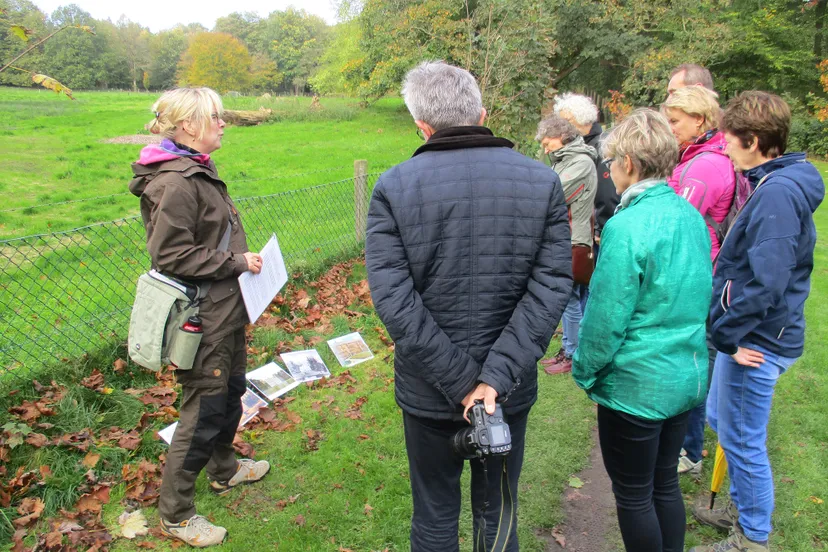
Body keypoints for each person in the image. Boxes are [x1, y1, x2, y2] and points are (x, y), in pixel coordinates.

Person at [366, 61, 572, 552]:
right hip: (497, 390)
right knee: (495, 511)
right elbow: (550, 288)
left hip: (443, 388)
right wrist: (484, 383)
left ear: (422, 126)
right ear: (482, 115)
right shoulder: (541, 180)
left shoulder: (394, 186)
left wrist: (480, 382)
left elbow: (394, 300)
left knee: (436, 513)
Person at [129, 87, 270, 547]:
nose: (224, 122)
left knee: (230, 394)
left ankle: (224, 470)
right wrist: (236, 263)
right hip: (203, 317)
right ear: (189, 125)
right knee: (202, 412)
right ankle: (176, 514)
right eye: (215, 116)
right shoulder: (174, 182)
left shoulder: (197, 168)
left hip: (227, 309)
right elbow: (170, 254)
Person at [572, 109, 712, 552]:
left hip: (638, 386)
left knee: (634, 494)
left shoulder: (626, 225)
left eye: (611, 162)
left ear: (628, 163)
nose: (609, 172)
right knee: (663, 482)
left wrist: (585, 370)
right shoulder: (689, 215)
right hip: (684, 375)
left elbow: (605, 316)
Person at [689, 92, 824, 552]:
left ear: (752, 140)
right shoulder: (772, 182)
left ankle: (751, 537)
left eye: (730, 139)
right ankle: (742, 505)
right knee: (720, 417)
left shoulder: (779, 194)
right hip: (751, 333)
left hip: (757, 341)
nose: (724, 147)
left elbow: (768, 282)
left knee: (743, 439)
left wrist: (726, 335)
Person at [662, 85, 737, 476]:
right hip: (701, 267)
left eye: (675, 121)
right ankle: (687, 443)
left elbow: (680, 222)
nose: (671, 127)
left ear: (699, 120)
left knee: (692, 360)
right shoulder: (701, 156)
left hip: (696, 271)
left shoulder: (704, 165)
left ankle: (688, 449)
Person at [535, 116, 597, 375]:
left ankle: (573, 354)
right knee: (569, 298)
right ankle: (568, 349)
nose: (545, 148)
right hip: (565, 237)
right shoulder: (565, 160)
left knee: (570, 299)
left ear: (561, 137)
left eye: (547, 143)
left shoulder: (580, 162)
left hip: (574, 239)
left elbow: (551, 192)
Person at [553, 93, 619, 252]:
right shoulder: (577, 147)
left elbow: (607, 191)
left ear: (582, 118)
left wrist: (601, 228)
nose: (562, 127)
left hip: (597, 233)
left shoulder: (600, 146)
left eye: (566, 121)